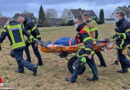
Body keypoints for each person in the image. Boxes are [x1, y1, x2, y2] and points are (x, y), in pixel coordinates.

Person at [65, 17, 99, 83]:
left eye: (76, 22)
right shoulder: (83, 29)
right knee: (91, 64)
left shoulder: (83, 31)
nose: (75, 24)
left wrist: (88, 53)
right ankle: (96, 77)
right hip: (87, 51)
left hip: (85, 52)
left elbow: (88, 42)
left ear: (80, 22)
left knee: (79, 65)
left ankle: (73, 79)